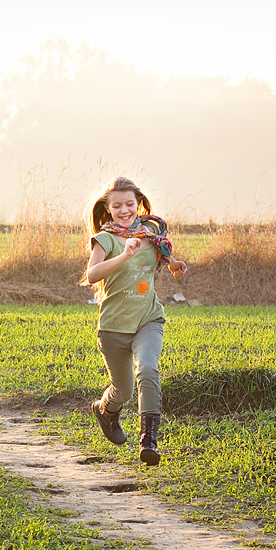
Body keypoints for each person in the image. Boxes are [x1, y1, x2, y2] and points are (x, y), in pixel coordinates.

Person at [84, 177, 187, 465]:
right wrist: (124, 255)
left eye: (130, 203)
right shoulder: (104, 239)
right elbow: (92, 275)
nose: (125, 210)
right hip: (113, 328)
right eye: (117, 205)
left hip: (148, 318)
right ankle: (105, 411)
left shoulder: (150, 231)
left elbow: (160, 252)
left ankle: (148, 441)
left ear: (138, 203)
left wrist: (173, 263)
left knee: (149, 371)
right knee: (123, 391)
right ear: (108, 208)